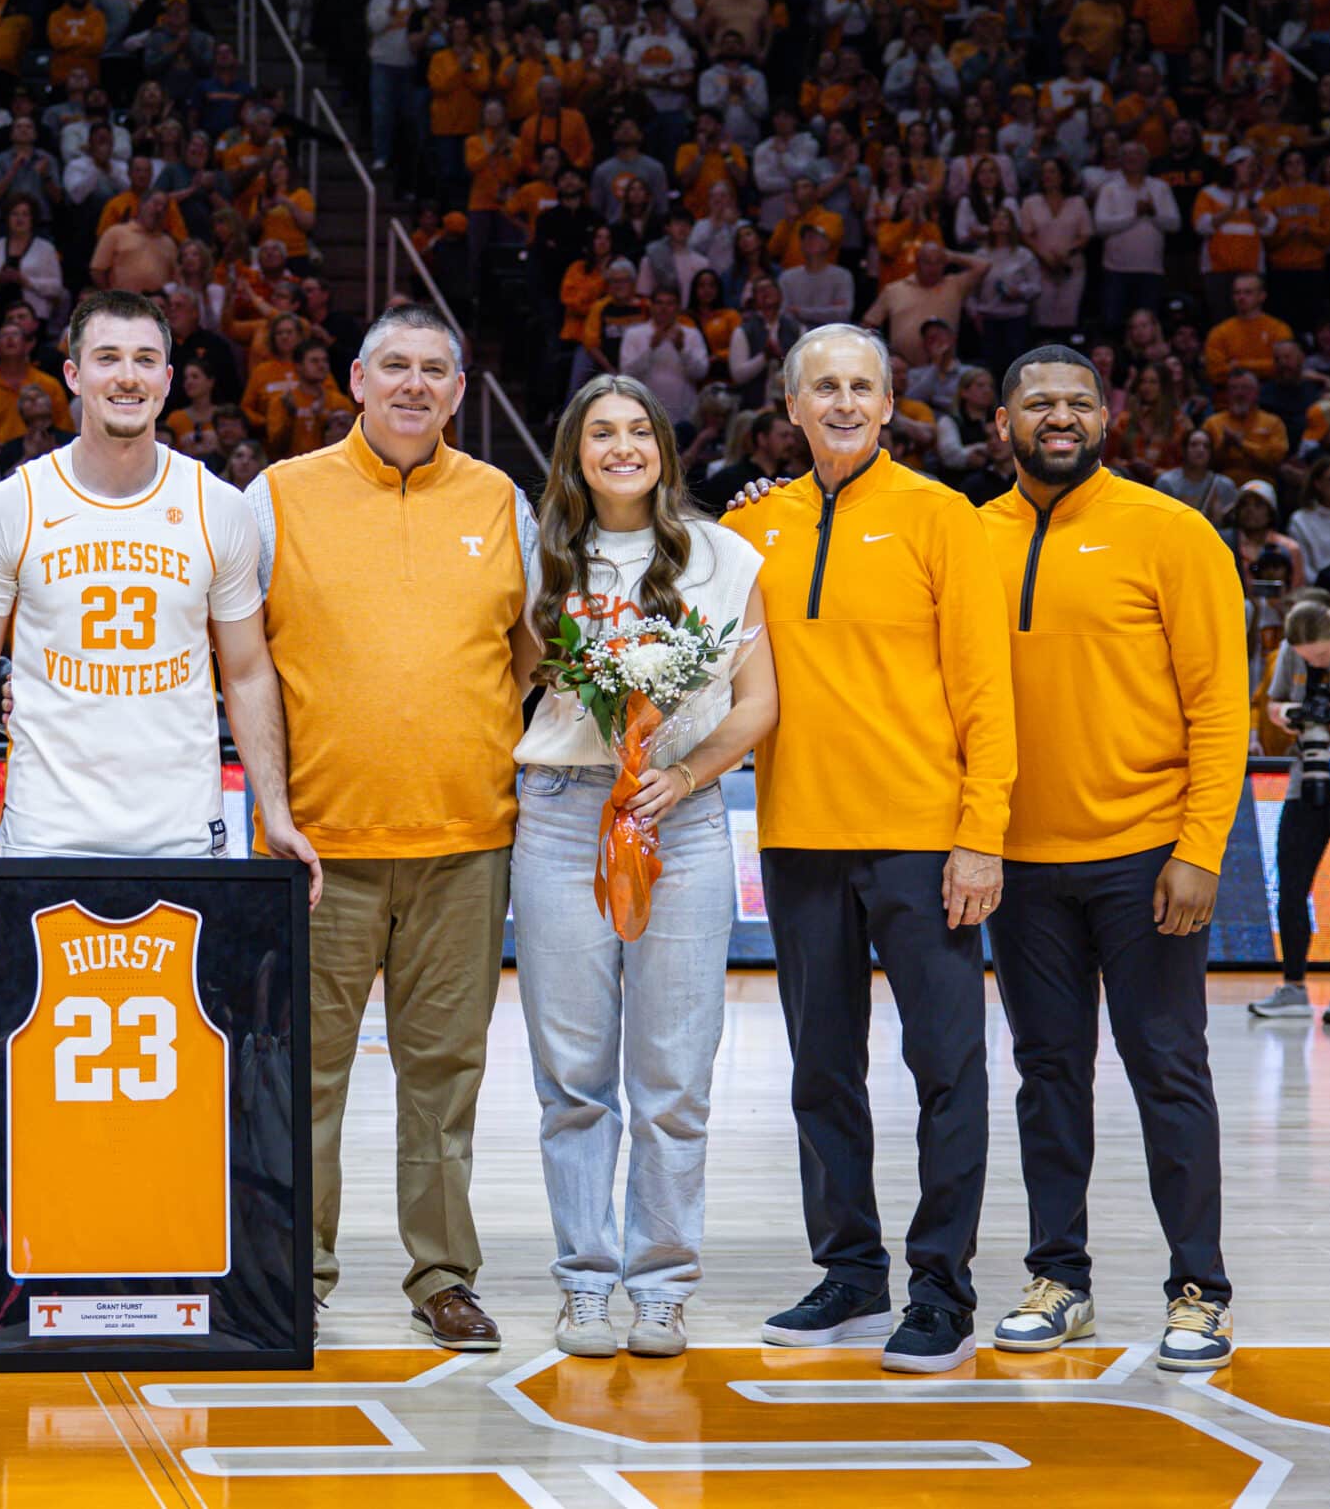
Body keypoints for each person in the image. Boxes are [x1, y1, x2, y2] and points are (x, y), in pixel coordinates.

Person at [722, 322, 1015, 1375]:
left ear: (890, 406)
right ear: (790, 407)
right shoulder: (748, 528)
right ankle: (849, 1271)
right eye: (824, 387)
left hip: (923, 841)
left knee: (947, 1068)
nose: (843, 403)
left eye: (861, 387)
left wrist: (980, 835)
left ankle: (941, 1289)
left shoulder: (942, 518)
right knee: (821, 1071)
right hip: (799, 835)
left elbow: (986, 690)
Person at [246, 303, 537, 1351]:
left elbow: (531, 651)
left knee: (444, 1076)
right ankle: (295, 1274)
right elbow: (240, 661)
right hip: (318, 847)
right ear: (356, 380)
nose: (414, 384)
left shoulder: (500, 499)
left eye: (434, 370)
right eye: (395, 366)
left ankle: (443, 1275)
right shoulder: (278, 496)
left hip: (466, 842)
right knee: (301, 1074)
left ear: (458, 392)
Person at [976, 344, 1244, 1373]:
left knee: (1168, 1069)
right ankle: (1060, 1280)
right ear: (1002, 423)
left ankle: (1199, 1290)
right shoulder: (968, 536)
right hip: (1019, 863)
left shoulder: (1171, 532)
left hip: (1146, 855)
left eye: (1077, 402)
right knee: (1047, 1075)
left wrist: (1200, 847)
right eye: (1037, 402)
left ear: (1106, 418)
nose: (1059, 416)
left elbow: (1219, 706)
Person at [510, 375, 776, 1358]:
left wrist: (688, 772)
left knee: (673, 1076)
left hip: (683, 818)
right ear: (574, 453)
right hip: (559, 814)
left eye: (637, 431)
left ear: (663, 447)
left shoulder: (722, 554)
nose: (620, 447)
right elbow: (505, 685)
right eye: (599, 433)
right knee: (573, 1076)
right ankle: (585, 1283)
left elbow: (758, 700)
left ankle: (661, 1286)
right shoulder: (538, 554)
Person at [0, 289, 319, 894]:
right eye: (107, 358)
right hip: (44, 832)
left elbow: (248, 672)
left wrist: (276, 814)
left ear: (168, 380)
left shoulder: (218, 507)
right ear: (73, 375)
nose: (128, 376)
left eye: (145, 360)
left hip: (183, 834)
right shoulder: (12, 506)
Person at [1255, 597, 1330, 1024]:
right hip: (1303, 778)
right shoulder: (1290, 652)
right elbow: (1272, 706)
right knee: (1290, 886)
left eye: (1323, 656)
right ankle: (1292, 986)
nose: (1316, 662)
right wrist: (1290, 714)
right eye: (1309, 658)